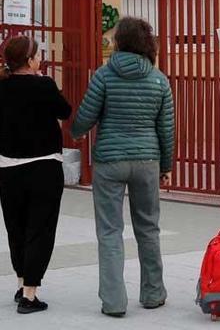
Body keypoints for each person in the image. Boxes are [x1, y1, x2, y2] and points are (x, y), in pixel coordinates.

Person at [71, 17, 174, 317]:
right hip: (146, 162)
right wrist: (165, 165)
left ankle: (114, 302)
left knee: (109, 231)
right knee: (149, 227)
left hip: (109, 162)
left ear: (120, 41)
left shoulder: (104, 75)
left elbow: (86, 116)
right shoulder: (159, 80)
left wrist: (76, 131)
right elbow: (166, 129)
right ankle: (153, 293)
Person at [0, 36, 71, 314]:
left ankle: (20, 282)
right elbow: (64, 111)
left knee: (15, 227)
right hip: (44, 167)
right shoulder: (44, 85)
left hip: (8, 168)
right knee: (39, 229)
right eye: (38, 55)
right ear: (30, 61)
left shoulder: (2, 87)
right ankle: (30, 294)